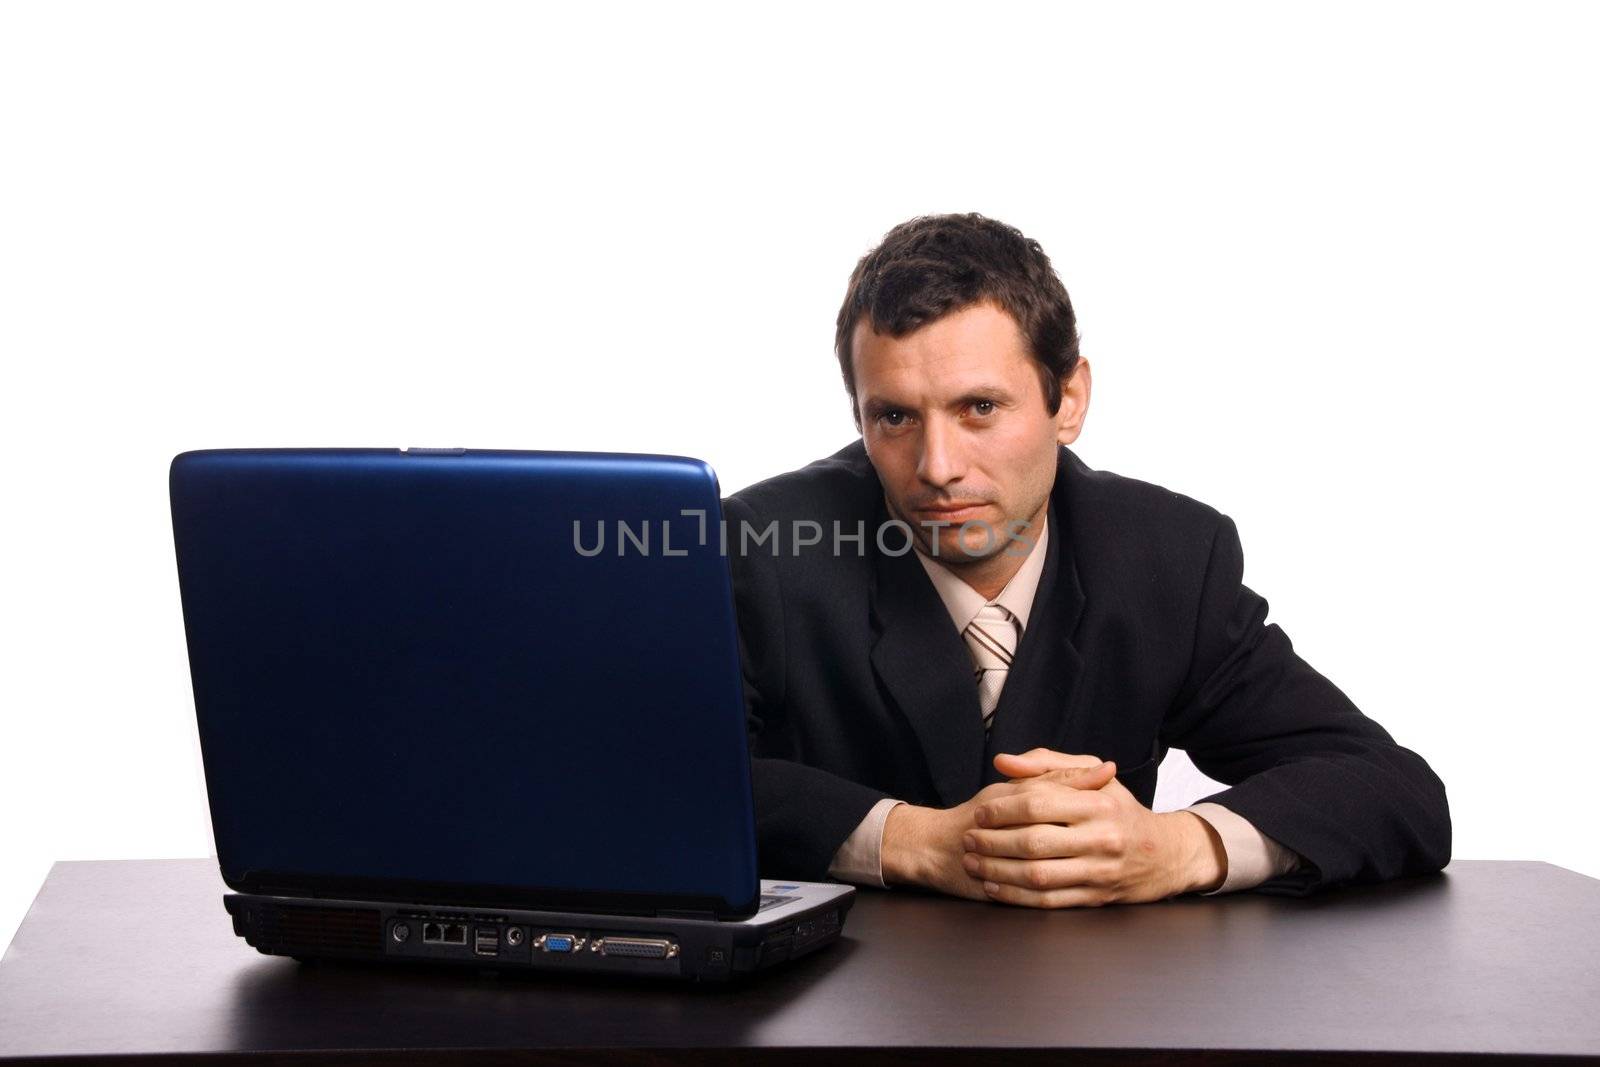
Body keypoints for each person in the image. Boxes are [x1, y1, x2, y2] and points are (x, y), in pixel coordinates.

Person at [721, 212, 1451, 907]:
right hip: (838, 1017)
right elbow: (646, 779)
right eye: (895, 417)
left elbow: (1395, 790)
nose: (937, 466)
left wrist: (1180, 847)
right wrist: (909, 839)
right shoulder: (765, 548)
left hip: (1099, 1014)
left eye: (979, 408)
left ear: (1068, 399)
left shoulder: (1167, 558)